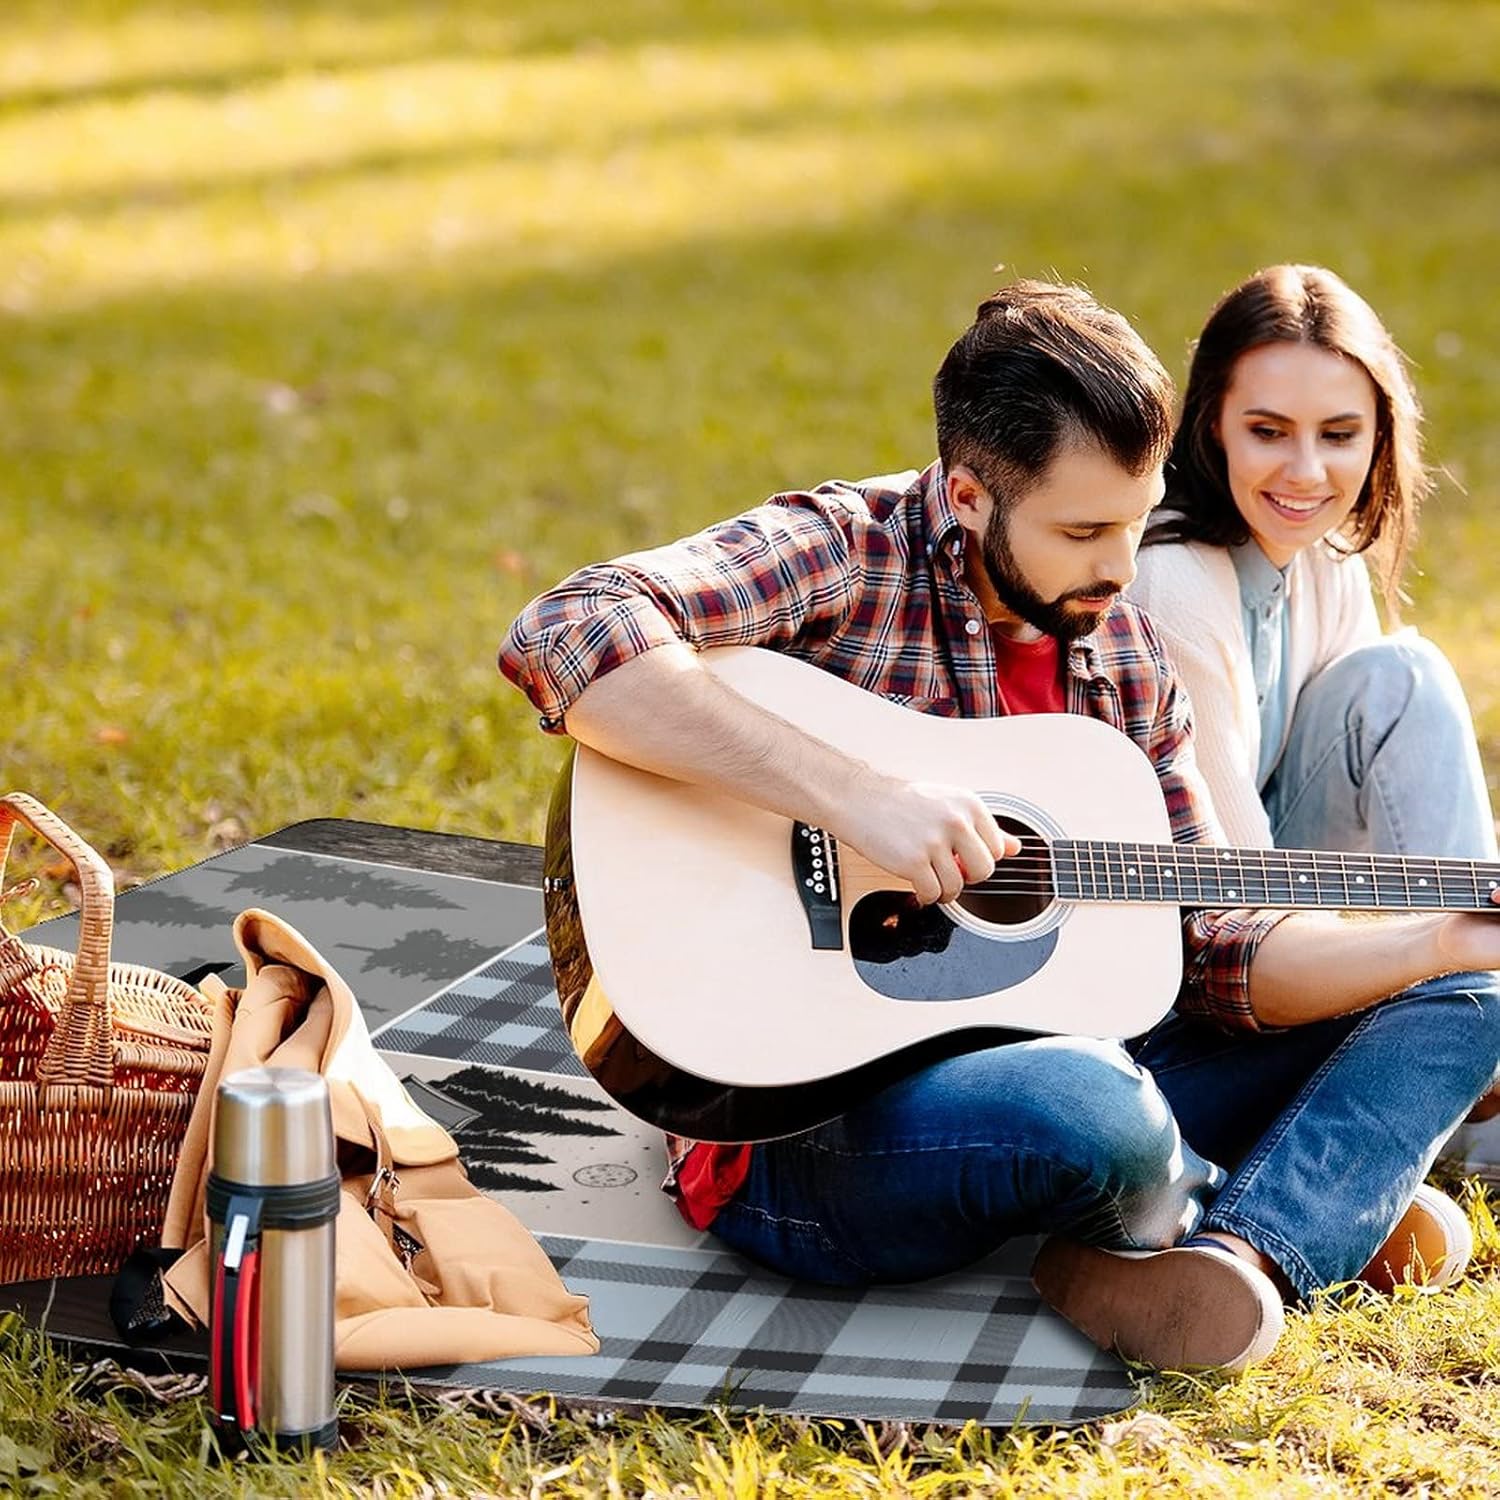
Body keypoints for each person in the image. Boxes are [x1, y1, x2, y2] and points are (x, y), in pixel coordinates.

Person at [499, 280, 1500, 1374]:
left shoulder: (1122, 654)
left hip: (1087, 1059)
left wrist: (1434, 942)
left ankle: (1245, 1253)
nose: (1122, 569)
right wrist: (854, 795)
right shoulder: (846, 551)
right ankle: (1298, 1194)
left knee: (1470, 997)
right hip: (806, 1129)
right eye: (1082, 531)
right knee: (1092, 1112)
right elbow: (569, 628)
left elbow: (1215, 941)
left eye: (1135, 519)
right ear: (969, 495)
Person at [1128, 262, 1500, 1167]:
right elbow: (1235, 900)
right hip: (1195, 970)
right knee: (1405, 673)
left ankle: (1472, 1035)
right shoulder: (1174, 579)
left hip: (1287, 916)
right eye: (1268, 431)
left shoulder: (1323, 553)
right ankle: (1465, 1063)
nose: (1306, 471)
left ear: (1380, 436)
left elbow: (1380, 793)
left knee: (1396, 674)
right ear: (1210, 422)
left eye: (1339, 434)